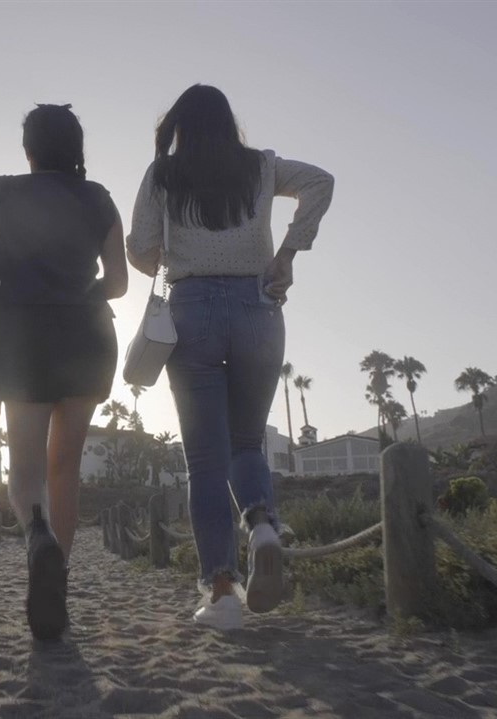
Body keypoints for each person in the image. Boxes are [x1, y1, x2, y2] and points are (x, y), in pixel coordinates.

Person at [126, 85, 333, 630]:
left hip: (190, 314)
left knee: (205, 463)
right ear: (229, 122)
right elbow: (320, 181)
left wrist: (173, 252)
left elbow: (140, 247)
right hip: (258, 308)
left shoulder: (163, 174)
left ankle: (221, 593)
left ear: (180, 125)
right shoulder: (262, 167)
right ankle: (263, 525)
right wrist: (287, 252)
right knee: (247, 442)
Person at [0, 104, 127, 641]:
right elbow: (118, 282)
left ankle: (38, 538)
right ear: (77, 147)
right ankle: (60, 584)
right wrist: (81, 296)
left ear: (28, 149)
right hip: (87, 337)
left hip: (24, 338)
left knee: (26, 469)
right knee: (64, 469)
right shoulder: (98, 197)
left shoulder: (2, 192)